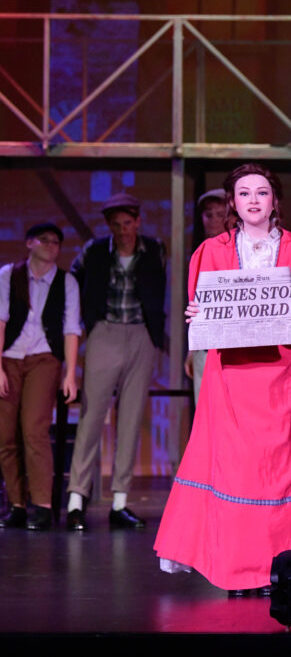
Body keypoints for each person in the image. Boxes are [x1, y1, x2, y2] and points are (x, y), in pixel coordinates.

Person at [154, 163, 291, 595]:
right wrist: (197, 316)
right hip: (230, 378)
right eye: (244, 194)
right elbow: (202, 315)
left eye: (262, 193)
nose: (253, 201)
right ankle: (236, 569)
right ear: (232, 203)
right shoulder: (210, 252)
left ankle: (279, 566)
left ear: (275, 201)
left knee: (281, 471)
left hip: (283, 376)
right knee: (235, 470)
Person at [66, 193, 166, 531]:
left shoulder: (154, 250)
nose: (122, 230)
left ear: (137, 222)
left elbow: (161, 289)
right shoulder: (94, 251)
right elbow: (74, 284)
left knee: (131, 416)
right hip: (104, 333)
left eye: (127, 223)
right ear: (109, 226)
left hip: (140, 335)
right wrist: (87, 324)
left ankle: (120, 502)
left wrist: (157, 336)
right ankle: (76, 499)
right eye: (115, 224)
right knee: (92, 414)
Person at [0, 223, 80, 531]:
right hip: (9, 358)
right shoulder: (9, 275)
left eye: (56, 242)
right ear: (29, 243)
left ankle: (42, 505)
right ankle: (17, 504)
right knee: (6, 434)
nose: (51, 245)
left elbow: (71, 329)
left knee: (34, 429)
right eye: (44, 240)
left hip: (44, 359)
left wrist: (70, 373)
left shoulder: (66, 282)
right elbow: (1, 322)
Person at [184, 188, 231, 406]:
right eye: (208, 215)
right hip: (206, 345)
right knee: (205, 410)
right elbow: (196, 303)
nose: (213, 220)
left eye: (220, 214)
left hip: (236, 346)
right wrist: (192, 349)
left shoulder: (243, 251)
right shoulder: (199, 254)